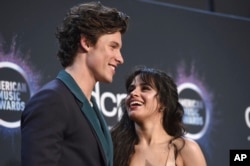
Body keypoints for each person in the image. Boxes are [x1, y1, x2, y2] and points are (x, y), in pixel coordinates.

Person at [21, 2, 129, 166]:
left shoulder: (89, 105)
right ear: (86, 42)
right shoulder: (51, 101)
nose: (120, 58)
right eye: (113, 47)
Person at [111, 66, 207, 166]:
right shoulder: (115, 148)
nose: (133, 93)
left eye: (145, 88)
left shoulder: (186, 149)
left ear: (164, 102)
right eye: (131, 89)